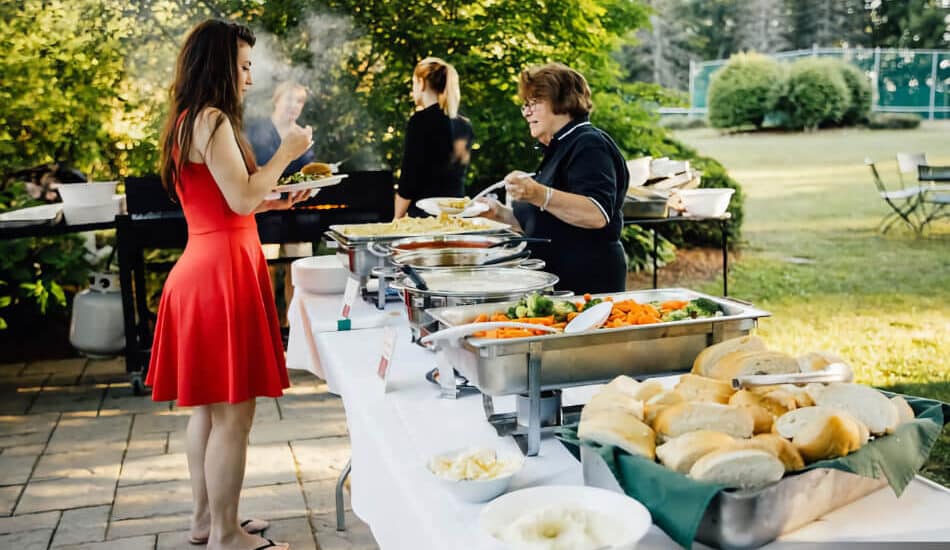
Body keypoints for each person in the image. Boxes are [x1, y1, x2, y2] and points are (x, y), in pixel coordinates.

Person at [147, 19, 312, 550]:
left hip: (205, 263)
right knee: (235, 414)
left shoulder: (186, 120)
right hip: (221, 274)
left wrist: (277, 197)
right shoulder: (213, 121)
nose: (249, 77)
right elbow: (239, 201)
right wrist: (287, 155)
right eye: (242, 66)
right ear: (219, 65)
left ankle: (207, 521)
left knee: (207, 409)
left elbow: (233, 196)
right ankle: (226, 536)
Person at [479, 63, 629, 294]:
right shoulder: (558, 146)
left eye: (534, 103)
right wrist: (498, 213)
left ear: (563, 101)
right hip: (556, 279)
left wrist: (537, 193)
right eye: (525, 105)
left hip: (587, 282)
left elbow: (596, 214)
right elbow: (547, 222)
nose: (527, 112)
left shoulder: (588, 143)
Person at [246, 81, 317, 325]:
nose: (295, 106)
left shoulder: (302, 135)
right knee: (265, 270)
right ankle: (267, 325)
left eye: (300, 102)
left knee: (298, 270)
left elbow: (308, 173)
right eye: (290, 99)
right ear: (277, 100)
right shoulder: (256, 130)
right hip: (263, 210)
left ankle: (294, 325)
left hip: (297, 211)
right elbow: (247, 168)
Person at [393, 57, 474, 219]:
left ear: (421, 83)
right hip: (456, 217)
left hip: (425, 218)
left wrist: (396, 219)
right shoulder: (465, 125)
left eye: (413, 84)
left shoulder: (420, 121)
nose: (412, 90)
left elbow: (409, 179)